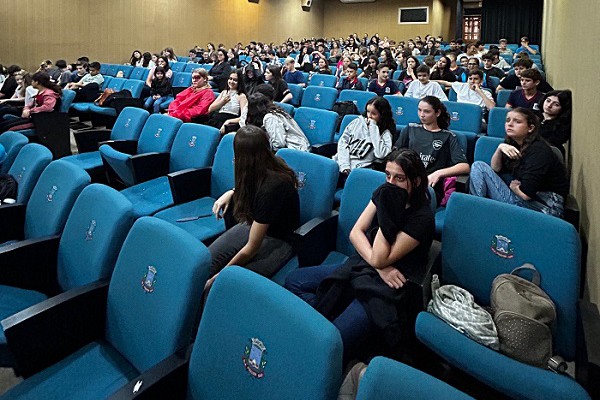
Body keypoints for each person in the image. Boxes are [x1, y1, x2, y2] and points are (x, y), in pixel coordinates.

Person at [284, 148, 434, 361]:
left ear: (416, 181)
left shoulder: (422, 218)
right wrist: (380, 267)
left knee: (333, 344)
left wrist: (387, 212)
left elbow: (381, 256)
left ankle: (337, 322)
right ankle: (335, 314)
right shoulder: (384, 192)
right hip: (365, 265)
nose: (391, 183)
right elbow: (356, 232)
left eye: (399, 178)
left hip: (387, 286)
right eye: (388, 175)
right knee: (293, 281)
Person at [207, 125, 300, 285]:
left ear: (243, 158)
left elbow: (252, 247)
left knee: (227, 282)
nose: (233, 160)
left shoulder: (273, 186)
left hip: (280, 239)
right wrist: (232, 192)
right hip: (255, 225)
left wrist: (219, 276)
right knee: (205, 265)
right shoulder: (262, 166)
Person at [469, 108, 568, 218]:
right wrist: (500, 148)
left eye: (517, 121)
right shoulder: (513, 144)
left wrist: (514, 188)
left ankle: (477, 211)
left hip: (546, 207)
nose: (510, 124)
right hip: (525, 199)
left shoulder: (539, 150)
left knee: (479, 167)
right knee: (479, 166)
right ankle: (478, 210)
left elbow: (526, 195)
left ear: (530, 128)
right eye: (508, 120)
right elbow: (496, 168)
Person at [394, 96, 470, 201]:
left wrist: (438, 173)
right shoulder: (410, 129)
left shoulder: (448, 136)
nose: (422, 114)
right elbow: (395, 155)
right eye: (419, 110)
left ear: (437, 113)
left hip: (429, 185)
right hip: (406, 179)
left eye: (426, 111)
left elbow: (464, 167)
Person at [333, 96, 394, 175]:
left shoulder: (386, 134)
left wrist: (373, 128)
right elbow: (343, 143)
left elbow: (380, 154)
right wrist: (344, 165)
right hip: (342, 163)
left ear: (382, 115)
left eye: (374, 114)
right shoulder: (357, 122)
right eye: (368, 112)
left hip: (360, 169)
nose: (369, 116)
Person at [246, 93, 310, 152]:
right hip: (291, 147)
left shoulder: (270, 117)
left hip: (296, 149)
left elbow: (278, 144)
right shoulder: (273, 110)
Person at [536, 90, 572, 155]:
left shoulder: (561, 125)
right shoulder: (531, 115)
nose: (549, 105)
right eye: (548, 101)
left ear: (563, 108)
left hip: (546, 153)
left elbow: (554, 142)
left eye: (556, 104)